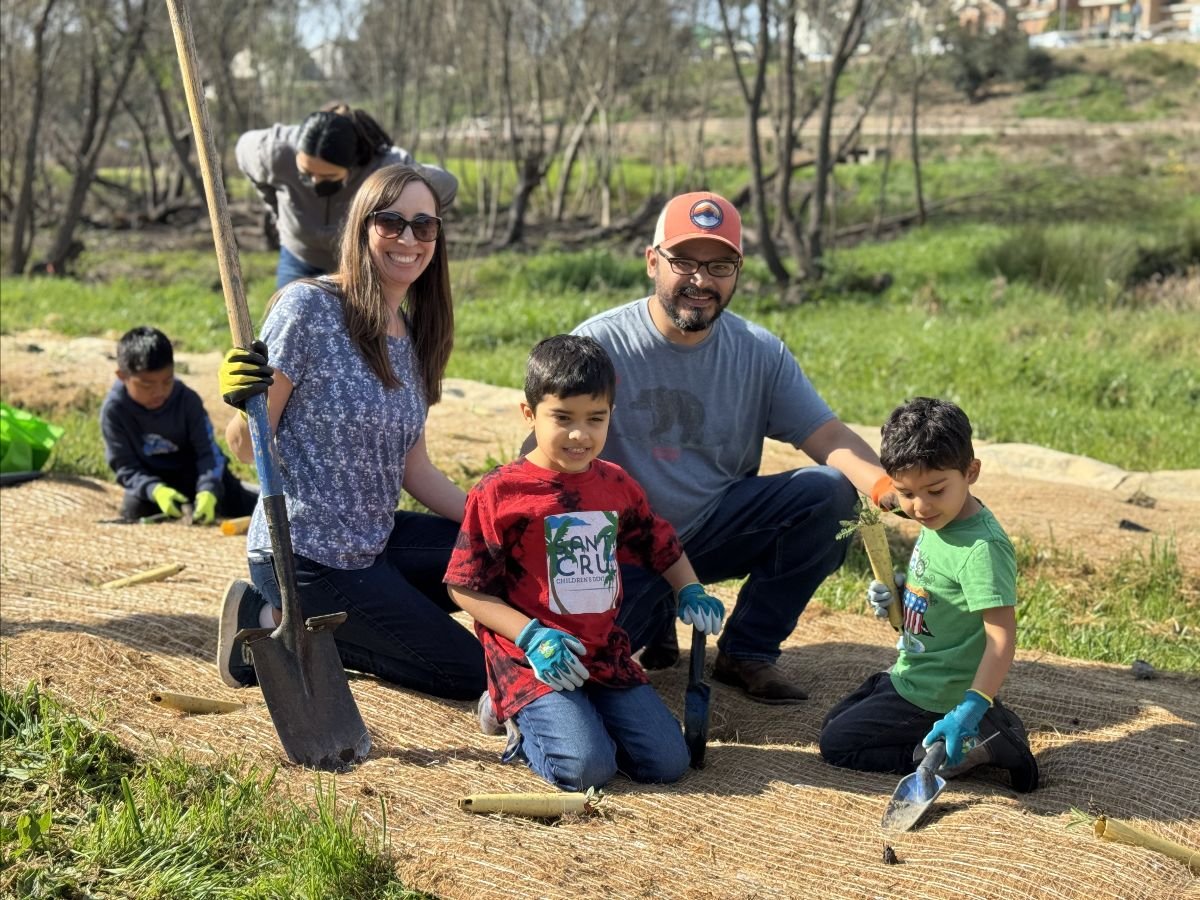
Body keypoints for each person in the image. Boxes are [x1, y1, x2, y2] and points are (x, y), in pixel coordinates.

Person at [570, 190, 896, 704]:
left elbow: (828, 436)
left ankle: (747, 651)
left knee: (829, 493)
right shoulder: (599, 345)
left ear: (738, 270)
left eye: (719, 264)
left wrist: (887, 489)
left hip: (711, 528)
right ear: (652, 261)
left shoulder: (759, 352)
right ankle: (651, 616)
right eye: (684, 262)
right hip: (618, 546)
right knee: (583, 676)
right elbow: (541, 452)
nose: (701, 280)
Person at [214, 164, 484, 701]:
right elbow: (248, 447)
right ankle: (267, 620)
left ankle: (387, 614)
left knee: (492, 555)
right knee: (470, 673)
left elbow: (416, 469)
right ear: (363, 226)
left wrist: (495, 517)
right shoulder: (309, 308)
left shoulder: (414, 334)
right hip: (307, 556)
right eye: (392, 222)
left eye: (424, 226)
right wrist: (241, 401)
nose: (408, 239)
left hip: (375, 542)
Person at [444, 335, 726, 791]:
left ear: (611, 415)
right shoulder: (500, 492)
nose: (581, 434)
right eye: (563, 418)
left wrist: (689, 587)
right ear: (529, 414)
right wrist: (532, 637)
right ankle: (510, 710)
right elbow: (464, 586)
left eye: (596, 419)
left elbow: (659, 543)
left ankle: (579, 715)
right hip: (529, 657)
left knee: (667, 764)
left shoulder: (616, 484)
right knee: (585, 770)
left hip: (602, 653)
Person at [818, 397, 1038, 792]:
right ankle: (976, 727)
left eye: (934, 490)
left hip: (942, 692)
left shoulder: (980, 550)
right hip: (916, 671)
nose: (918, 507)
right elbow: (882, 493)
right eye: (907, 493)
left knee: (837, 745)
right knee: (835, 721)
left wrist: (971, 705)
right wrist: (902, 596)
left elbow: (1002, 637)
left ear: (971, 472)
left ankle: (980, 742)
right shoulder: (936, 509)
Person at [236, 103, 459, 288]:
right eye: (306, 173)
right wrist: (278, 212)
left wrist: (402, 221)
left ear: (352, 166)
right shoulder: (274, 151)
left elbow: (446, 186)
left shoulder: (383, 167)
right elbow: (243, 152)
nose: (314, 182)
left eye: (328, 176)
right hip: (299, 258)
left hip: (356, 266)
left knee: (355, 338)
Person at [100, 326, 257, 524]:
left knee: (244, 504)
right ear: (122, 376)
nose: (159, 391)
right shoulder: (115, 410)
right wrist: (155, 490)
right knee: (133, 510)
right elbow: (124, 466)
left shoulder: (187, 400)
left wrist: (208, 489)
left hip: (196, 476)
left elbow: (208, 453)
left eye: (167, 381)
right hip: (156, 484)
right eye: (147, 385)